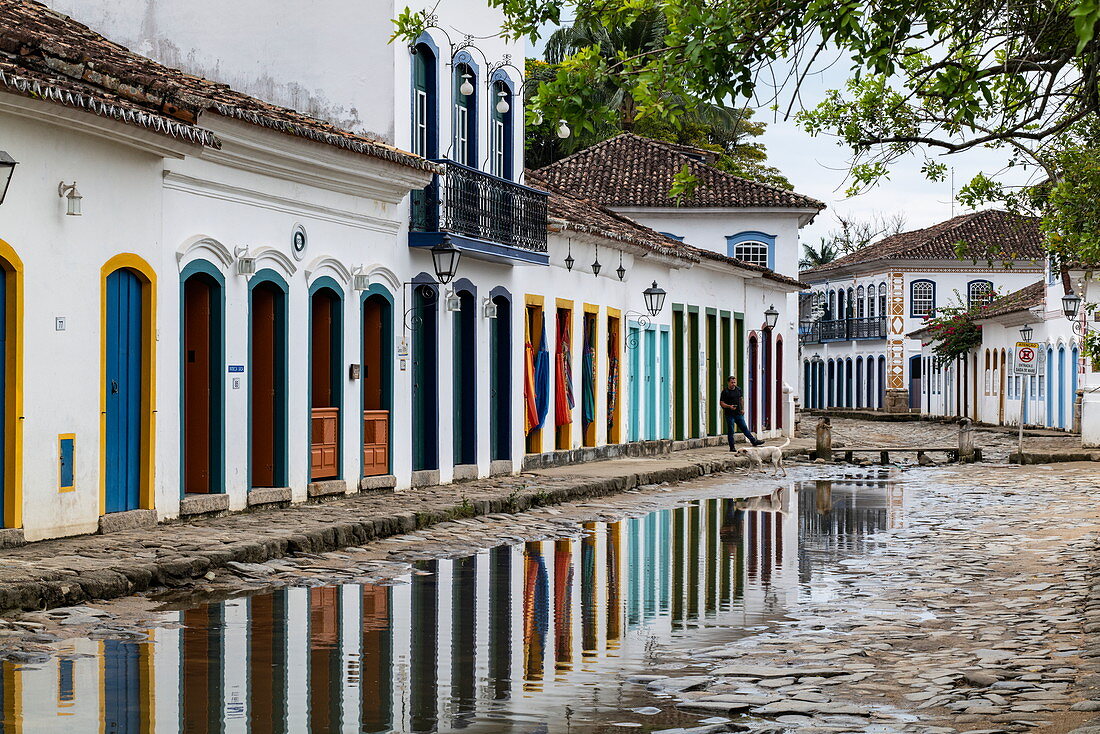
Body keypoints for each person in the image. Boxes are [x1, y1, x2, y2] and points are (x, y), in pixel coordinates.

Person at [719, 375, 762, 451]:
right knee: (731, 431)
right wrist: (729, 406)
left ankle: (753, 441)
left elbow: (741, 399)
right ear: (728, 383)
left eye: (734, 382)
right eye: (732, 382)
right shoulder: (725, 392)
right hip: (729, 414)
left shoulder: (738, 390)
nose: (733, 384)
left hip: (738, 413)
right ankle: (732, 447)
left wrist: (742, 409)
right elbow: (721, 403)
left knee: (744, 428)